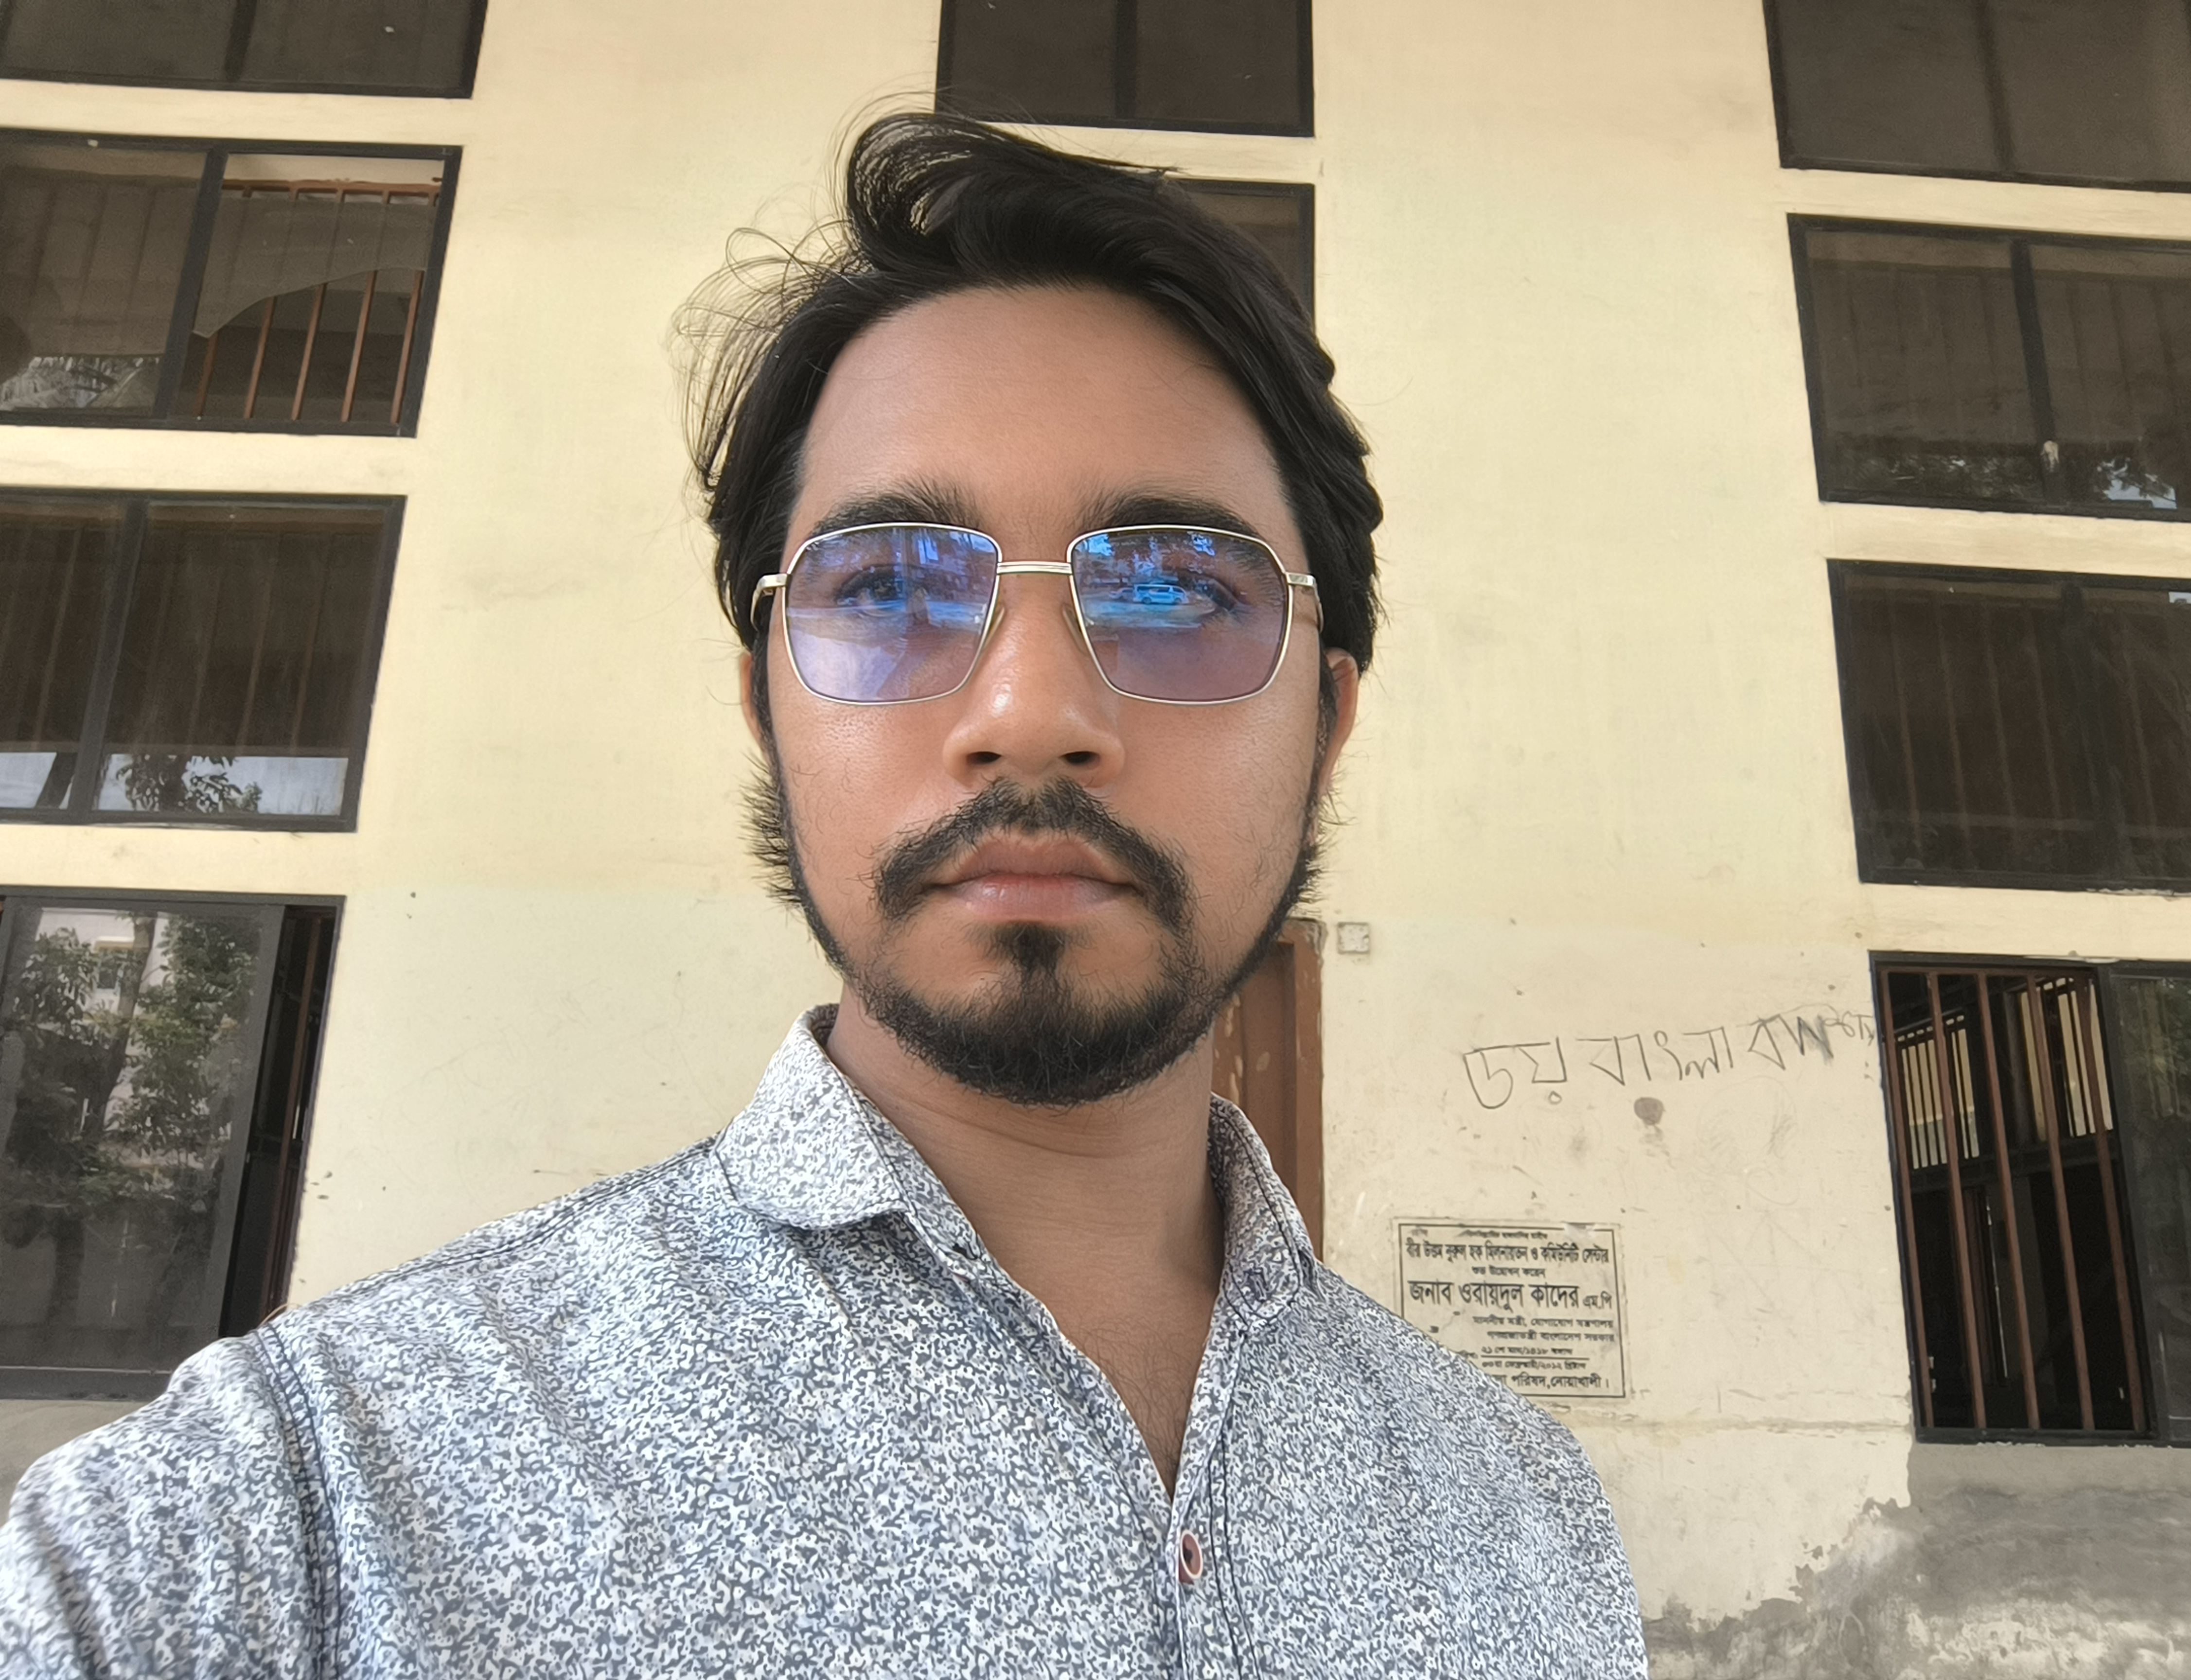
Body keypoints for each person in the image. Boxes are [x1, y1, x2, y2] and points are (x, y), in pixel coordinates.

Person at [0, 115, 1646, 1677]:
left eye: (1174, 589)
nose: (1030, 714)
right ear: (768, 705)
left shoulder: (1527, 1521)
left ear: (1327, 725)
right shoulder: (291, 1512)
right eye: (891, 586)